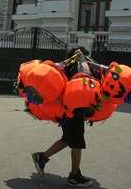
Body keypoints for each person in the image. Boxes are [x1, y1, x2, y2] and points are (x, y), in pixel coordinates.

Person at [31, 46, 93, 187]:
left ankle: (41, 157)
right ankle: (74, 176)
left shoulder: (64, 68)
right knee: (77, 142)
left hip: (65, 113)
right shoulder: (79, 70)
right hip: (74, 112)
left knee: (68, 139)